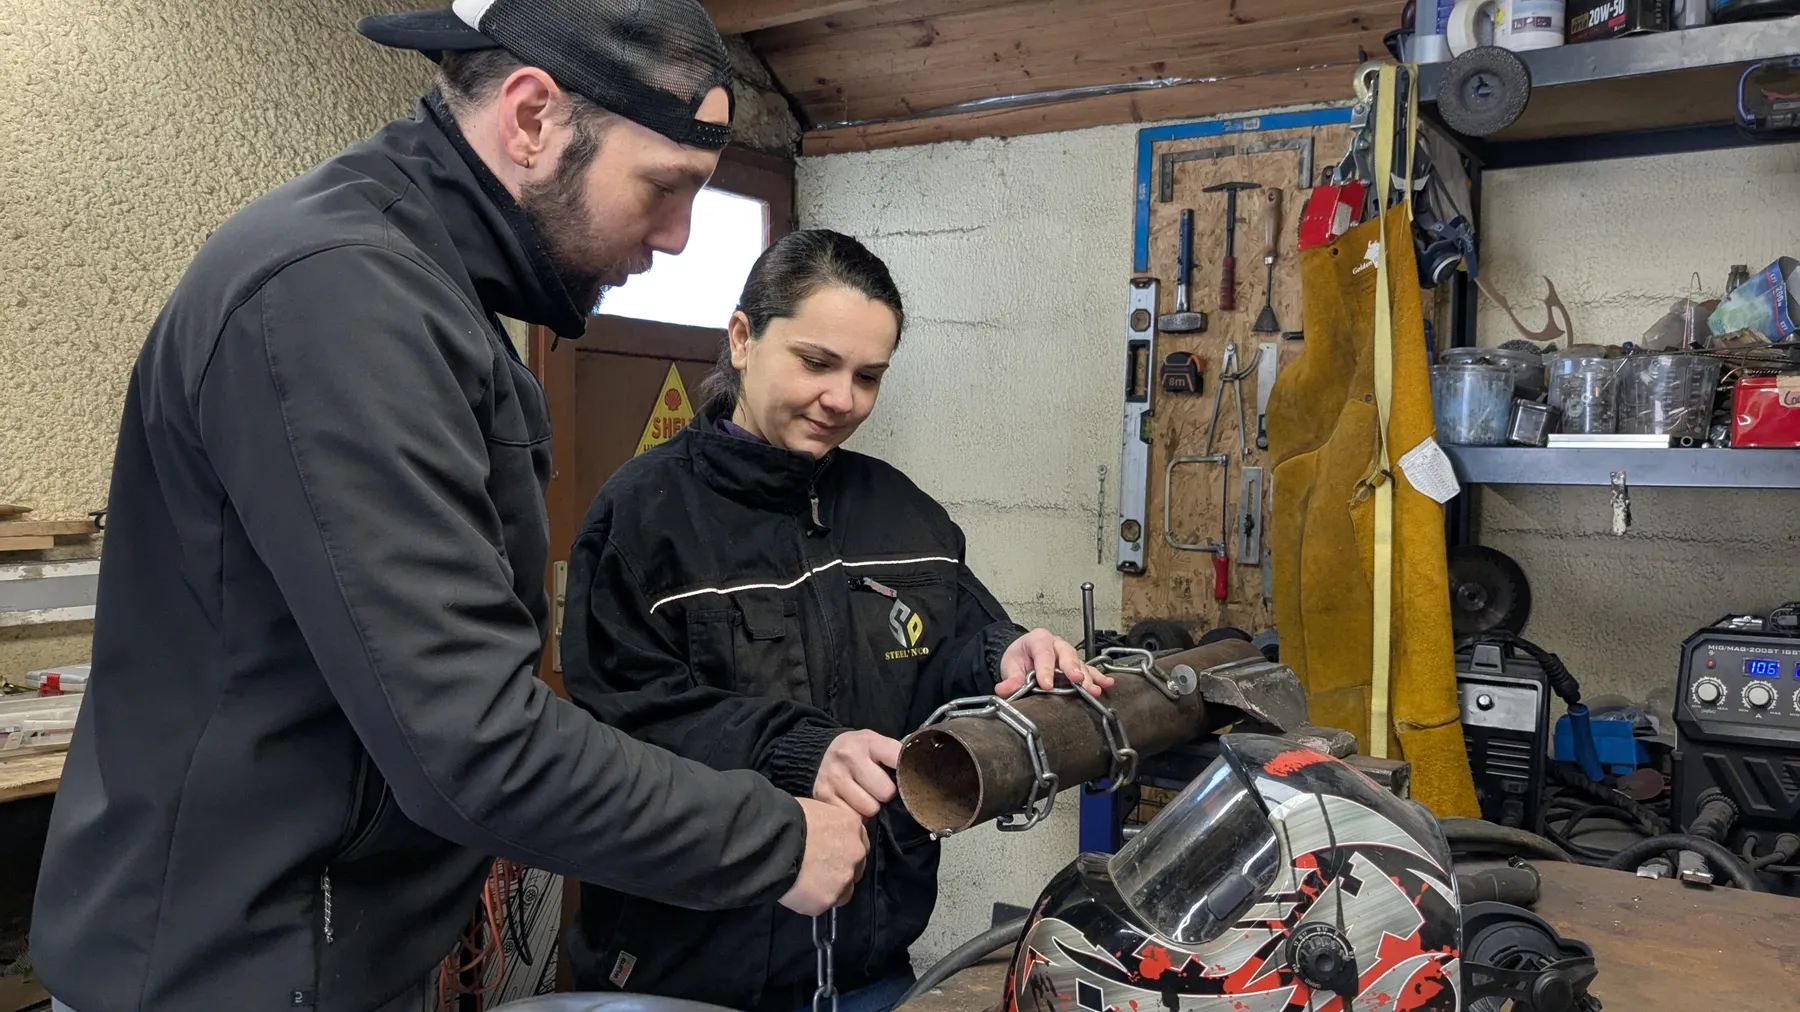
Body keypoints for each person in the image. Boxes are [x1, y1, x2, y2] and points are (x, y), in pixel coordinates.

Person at [29, 4, 870, 1011]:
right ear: (530, 117)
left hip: (318, 951)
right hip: (228, 974)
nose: (679, 235)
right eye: (663, 187)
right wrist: (771, 837)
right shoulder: (341, 296)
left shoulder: (429, 291)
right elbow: (473, 739)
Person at [558, 229, 1112, 1012]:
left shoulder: (902, 514)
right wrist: (798, 752)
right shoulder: (643, 518)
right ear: (744, 338)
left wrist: (1007, 653)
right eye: (817, 363)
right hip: (680, 970)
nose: (843, 398)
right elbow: (626, 725)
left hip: (867, 967)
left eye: (868, 376)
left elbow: (949, 650)